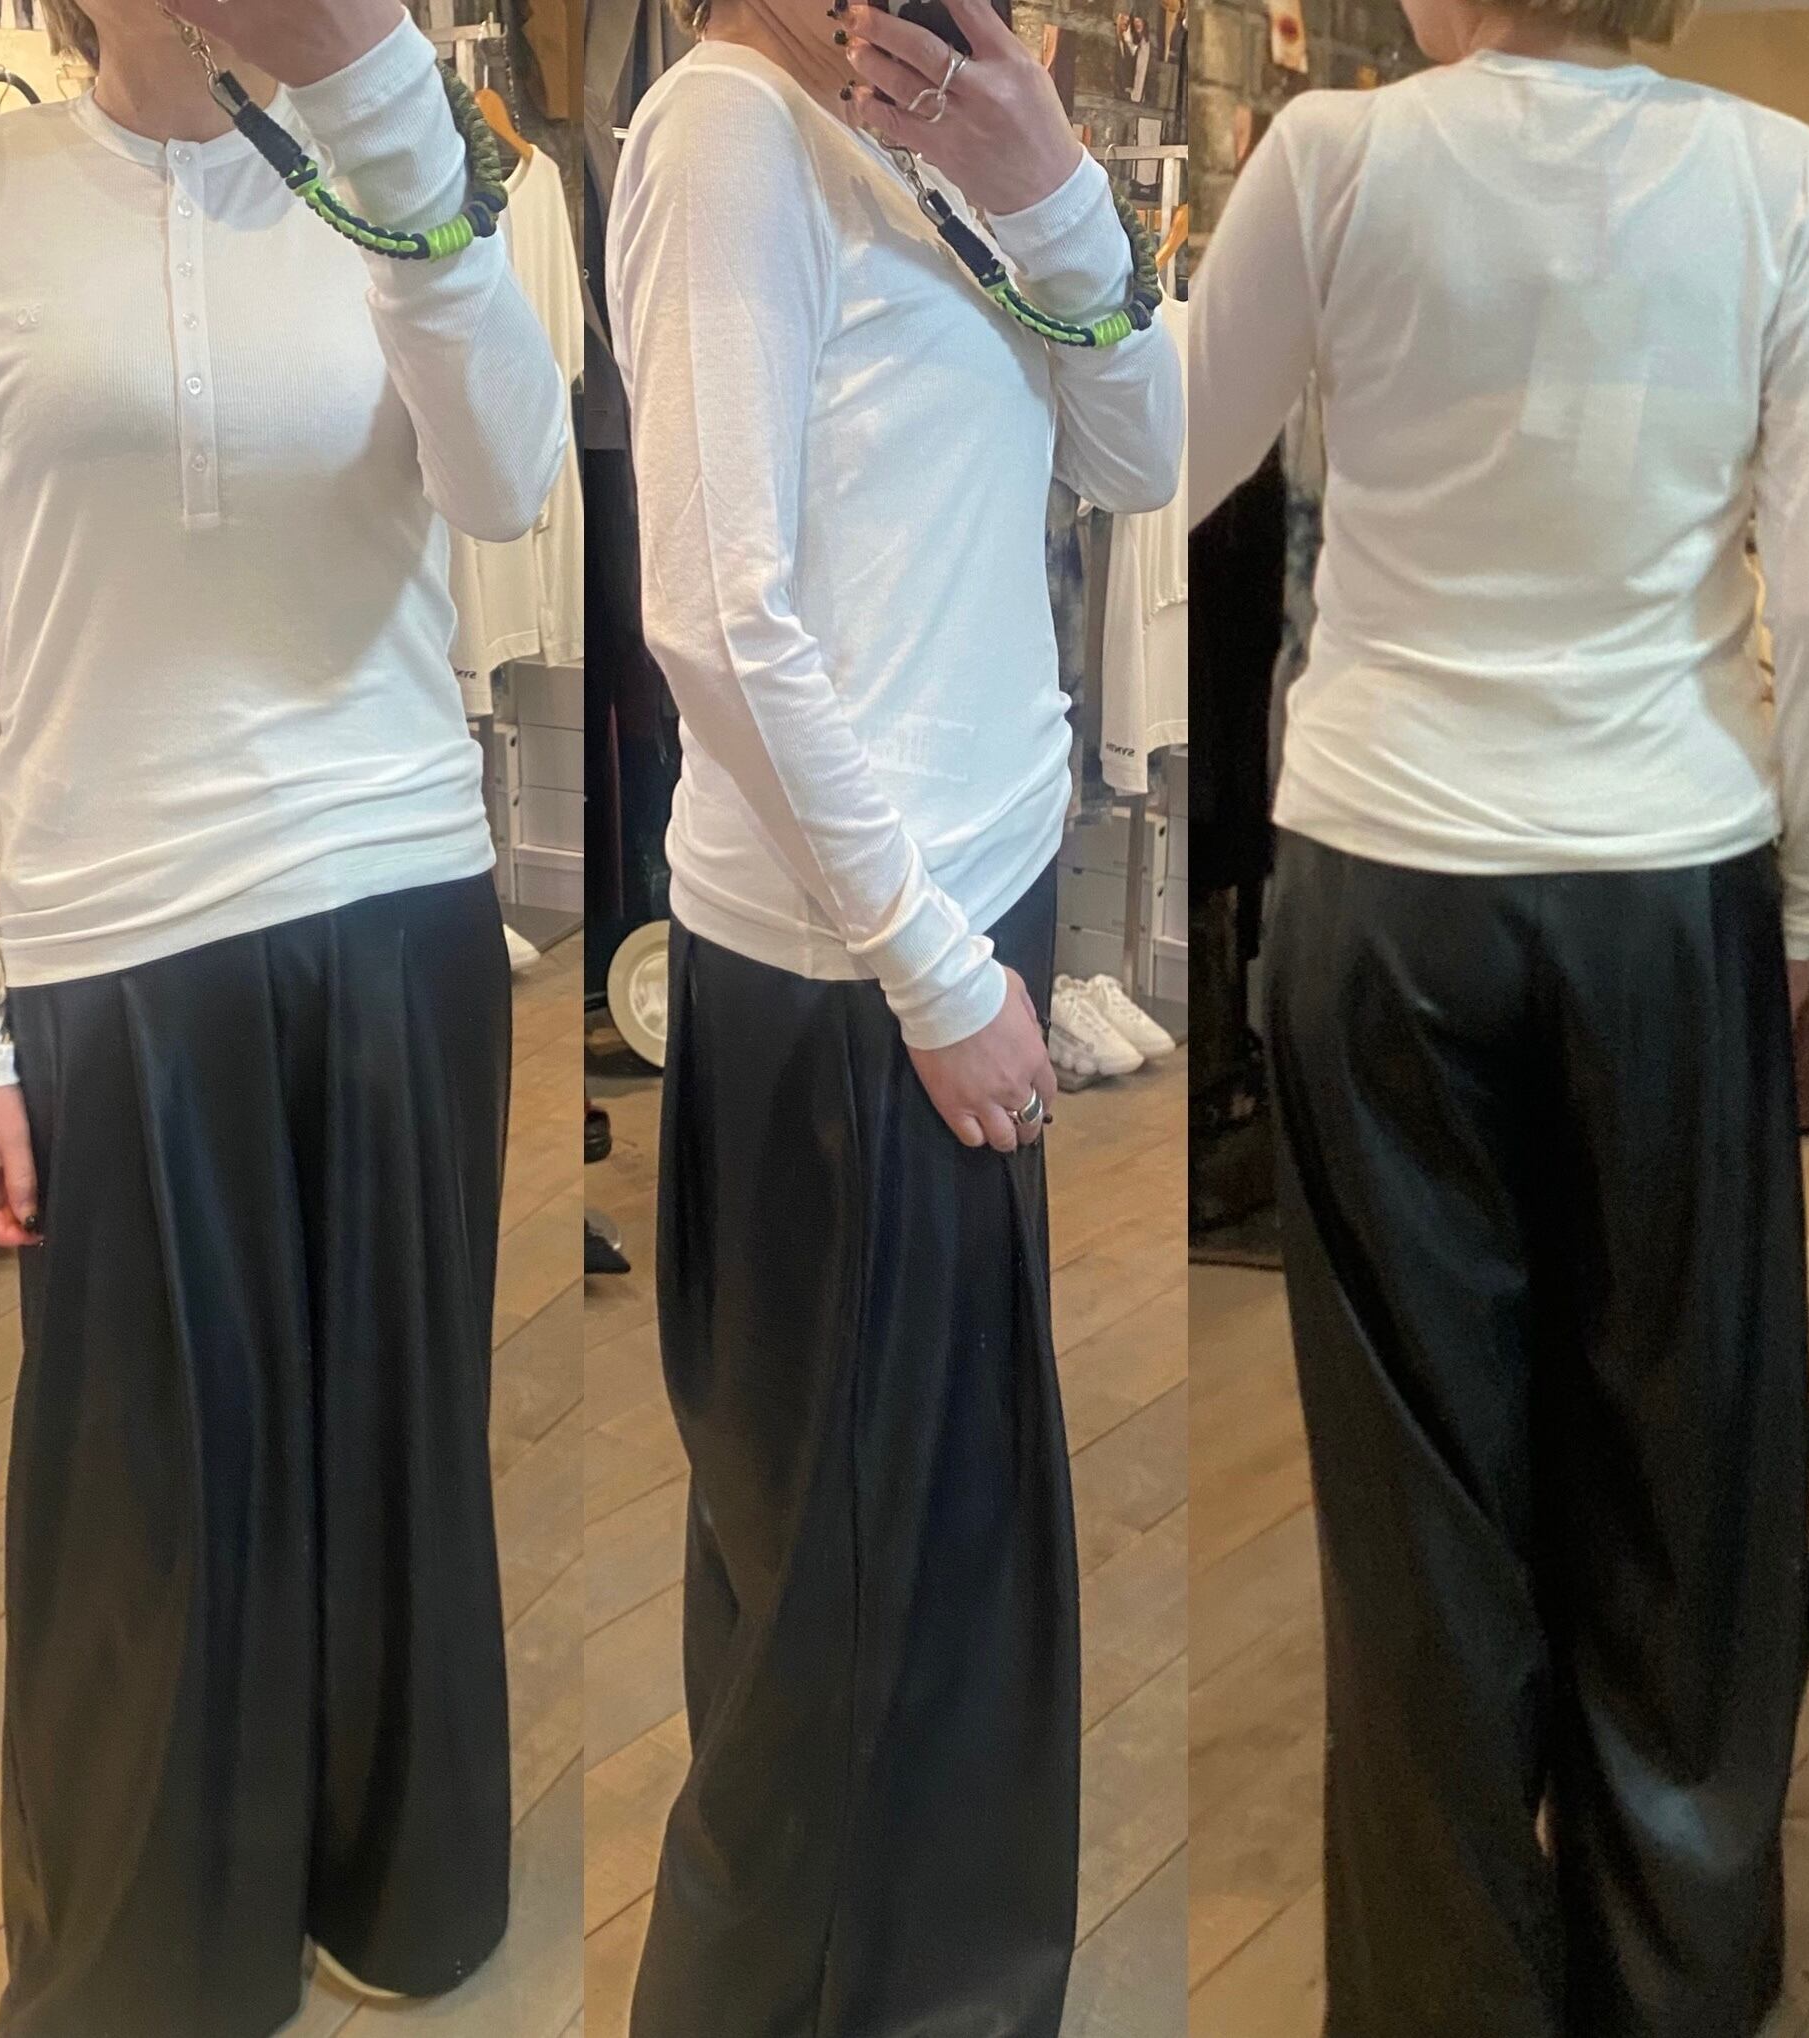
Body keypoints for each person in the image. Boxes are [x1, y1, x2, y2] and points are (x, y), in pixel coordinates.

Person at [0, 0, 568, 2030]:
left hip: (394, 893)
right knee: (145, 1492)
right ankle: (155, 1959)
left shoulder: (418, 162)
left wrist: (381, 116)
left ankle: (397, 1885)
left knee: (395, 1438)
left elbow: (513, 482)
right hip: (111, 935)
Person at [1188, 0, 1809, 2030]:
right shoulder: (1776, 181)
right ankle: (1674, 1995)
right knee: (1682, 1498)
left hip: (1383, 873)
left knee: (1419, 1527)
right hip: (1668, 880)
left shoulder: (1332, 158)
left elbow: (1166, 454)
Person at [606, 0, 1182, 2026]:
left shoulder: (943, 137)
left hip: (949, 918)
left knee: (906, 1584)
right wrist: (935, 974)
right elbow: (713, 614)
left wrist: (1058, 195)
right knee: (840, 1640)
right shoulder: (728, 138)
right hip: (859, 977)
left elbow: (1145, 453)